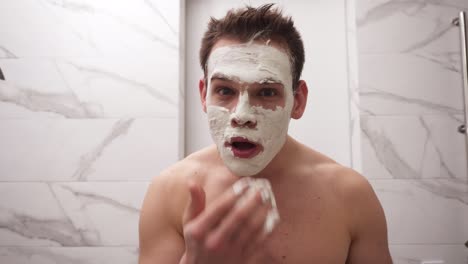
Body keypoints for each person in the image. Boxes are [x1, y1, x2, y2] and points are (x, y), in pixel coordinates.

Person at [138, 4, 393, 264]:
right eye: (225, 91)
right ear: (204, 95)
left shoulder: (351, 197)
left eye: (267, 92)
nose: (242, 115)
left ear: (298, 101)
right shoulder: (169, 192)